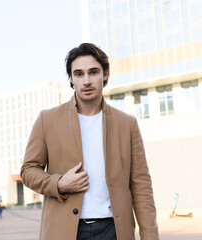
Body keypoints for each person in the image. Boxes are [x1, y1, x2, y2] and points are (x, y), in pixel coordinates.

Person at [20, 43, 159, 240]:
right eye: (79, 74)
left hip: (115, 230)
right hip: (65, 231)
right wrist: (58, 183)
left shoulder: (127, 124)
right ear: (71, 79)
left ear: (105, 75)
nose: (86, 81)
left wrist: (150, 235)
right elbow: (28, 170)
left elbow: (141, 186)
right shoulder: (47, 120)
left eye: (93, 72)